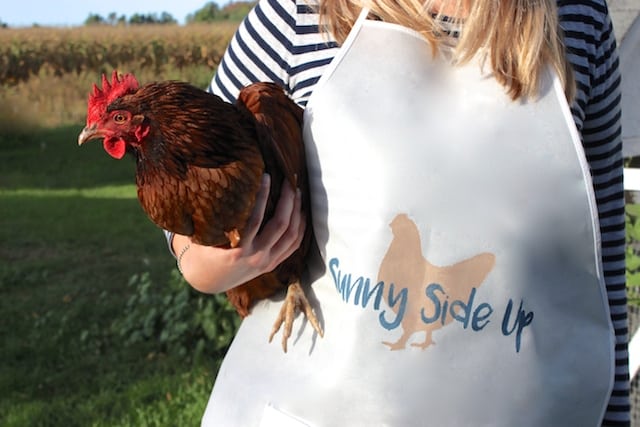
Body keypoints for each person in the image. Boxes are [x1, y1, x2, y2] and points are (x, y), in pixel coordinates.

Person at [168, 0, 629, 424]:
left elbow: (597, 263)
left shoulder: (578, 19)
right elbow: (185, 176)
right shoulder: (298, 11)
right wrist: (208, 264)